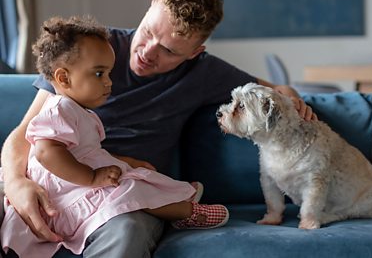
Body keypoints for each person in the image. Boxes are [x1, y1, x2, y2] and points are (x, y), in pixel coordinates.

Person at [0, 0, 316, 257]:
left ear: (195, 53)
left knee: (127, 231)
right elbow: (26, 135)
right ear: (150, 7)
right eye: (149, 32)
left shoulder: (203, 73)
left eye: (168, 51)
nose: (148, 53)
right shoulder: (90, 50)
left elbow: (272, 90)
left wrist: (287, 94)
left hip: (124, 195)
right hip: (55, 178)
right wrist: (16, 183)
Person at [0, 15, 233, 258]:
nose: (110, 82)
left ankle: (179, 197)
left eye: (168, 50)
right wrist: (91, 178)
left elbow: (84, 151)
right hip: (64, 185)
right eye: (100, 74)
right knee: (130, 187)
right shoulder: (61, 108)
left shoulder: (79, 111)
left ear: (194, 52)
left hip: (71, 183)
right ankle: (185, 210)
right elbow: (45, 151)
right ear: (63, 78)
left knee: (131, 181)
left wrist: (123, 161)